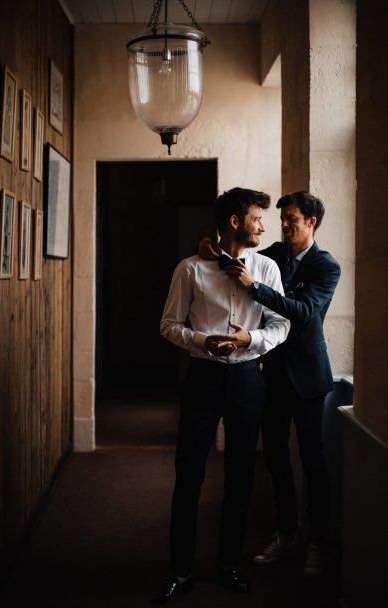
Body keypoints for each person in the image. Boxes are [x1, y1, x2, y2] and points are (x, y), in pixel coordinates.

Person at [151, 188, 290, 605]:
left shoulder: (266, 268)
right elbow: (169, 325)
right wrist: (202, 342)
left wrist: (253, 338)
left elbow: (282, 325)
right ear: (234, 221)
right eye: (257, 218)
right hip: (203, 380)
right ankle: (181, 571)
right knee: (189, 476)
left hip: (249, 381)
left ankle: (229, 565)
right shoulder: (189, 270)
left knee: (241, 479)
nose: (264, 225)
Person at [198, 191, 341, 578]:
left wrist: (255, 288)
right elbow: (236, 255)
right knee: (275, 459)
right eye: (281, 218)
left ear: (311, 221)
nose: (283, 224)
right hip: (271, 374)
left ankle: (317, 544)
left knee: (313, 463)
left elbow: (304, 313)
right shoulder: (274, 253)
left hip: (309, 377)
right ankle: (286, 532)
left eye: (292, 218)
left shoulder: (327, 267)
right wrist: (208, 246)